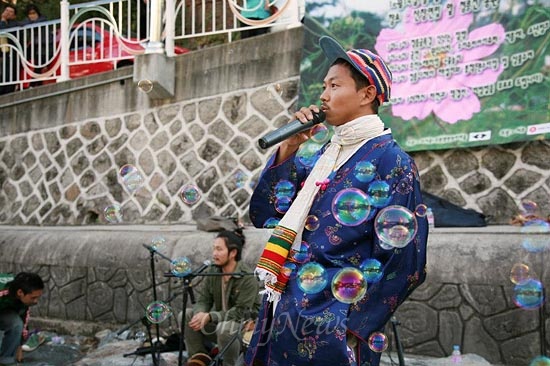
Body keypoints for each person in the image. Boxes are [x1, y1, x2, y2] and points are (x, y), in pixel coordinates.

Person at [244, 36, 428, 366]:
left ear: (367, 94)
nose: (323, 95)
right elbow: (266, 213)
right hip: (284, 312)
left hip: (333, 328)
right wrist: (289, 148)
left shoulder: (392, 161)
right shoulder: (320, 158)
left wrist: (350, 328)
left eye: (334, 85)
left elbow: (407, 264)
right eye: (324, 86)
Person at [182, 229, 261, 366]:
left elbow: (241, 312)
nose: (214, 254)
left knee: (224, 329)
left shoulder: (247, 277)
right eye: (214, 249)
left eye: (219, 249)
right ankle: (199, 359)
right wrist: (200, 313)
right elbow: (204, 300)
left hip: (243, 327)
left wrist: (211, 316)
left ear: (233, 253)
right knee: (187, 315)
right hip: (220, 324)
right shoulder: (213, 271)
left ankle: (228, 363)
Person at [0, 272, 45, 366]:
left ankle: (6, 360)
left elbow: (24, 324)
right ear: (20, 292)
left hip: (3, 309)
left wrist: (19, 346)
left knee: (16, 324)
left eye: (38, 297)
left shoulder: (22, 299)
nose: (36, 301)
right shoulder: (2, 291)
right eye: (33, 298)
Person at [0, 4, 19, 95]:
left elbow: (5, 33)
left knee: (9, 74)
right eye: (6, 11)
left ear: (14, 15)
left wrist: (3, 21)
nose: (7, 13)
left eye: (10, 12)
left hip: (13, 54)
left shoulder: (15, 24)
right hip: (3, 54)